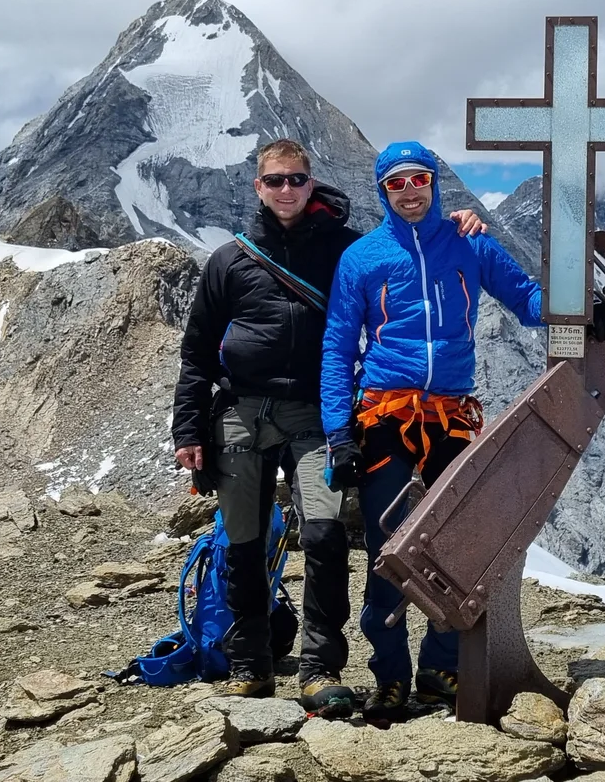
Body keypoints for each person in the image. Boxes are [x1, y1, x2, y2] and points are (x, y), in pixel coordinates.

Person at [170, 138, 485, 717]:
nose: (286, 190)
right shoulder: (229, 260)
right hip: (240, 413)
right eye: (274, 181)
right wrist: (188, 430)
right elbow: (196, 354)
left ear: (311, 184)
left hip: (317, 415)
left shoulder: (346, 249)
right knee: (242, 538)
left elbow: (400, 262)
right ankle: (250, 662)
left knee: (323, 535)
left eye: (296, 179)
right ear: (257, 188)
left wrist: (458, 225)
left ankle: (320, 668)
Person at [320, 140, 544, 719]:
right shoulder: (363, 259)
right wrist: (339, 432)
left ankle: (440, 668)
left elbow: (526, 299)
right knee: (388, 548)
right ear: (382, 191)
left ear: (434, 180)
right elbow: (339, 347)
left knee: (458, 546)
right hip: (385, 418)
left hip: (449, 416)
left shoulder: (469, 242)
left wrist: (580, 306)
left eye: (417, 178)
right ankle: (389, 677)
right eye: (395, 183)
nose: (409, 191)